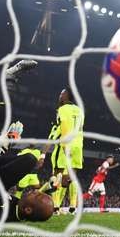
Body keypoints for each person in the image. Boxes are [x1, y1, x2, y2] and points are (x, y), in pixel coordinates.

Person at [44, 87, 85, 215]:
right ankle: (72, 206)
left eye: (62, 93)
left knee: (57, 174)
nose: (59, 96)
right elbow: (80, 129)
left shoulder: (62, 109)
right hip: (78, 145)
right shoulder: (80, 111)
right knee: (71, 177)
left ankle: (55, 206)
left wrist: (45, 151)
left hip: (65, 145)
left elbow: (62, 128)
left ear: (67, 96)